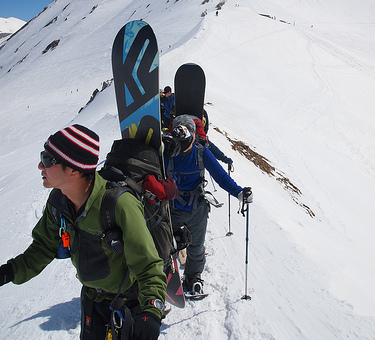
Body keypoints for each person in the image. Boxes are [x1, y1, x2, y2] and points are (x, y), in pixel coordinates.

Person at [0, 124, 166, 340]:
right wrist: (9, 271)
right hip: (92, 301)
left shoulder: (118, 204)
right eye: (43, 156)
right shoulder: (58, 201)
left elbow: (147, 265)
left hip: (130, 303)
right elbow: (44, 247)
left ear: (73, 169)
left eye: (48, 159)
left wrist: (151, 312)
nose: (40, 165)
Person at [164, 115, 252, 296]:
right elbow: (220, 177)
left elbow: (221, 178)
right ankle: (177, 277)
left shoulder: (197, 153)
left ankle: (192, 278)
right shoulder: (192, 152)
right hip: (186, 208)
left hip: (184, 208)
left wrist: (239, 192)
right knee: (172, 246)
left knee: (195, 247)